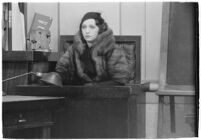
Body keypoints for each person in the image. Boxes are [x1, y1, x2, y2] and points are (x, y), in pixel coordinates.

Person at [55, 12, 130, 86]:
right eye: (84, 27)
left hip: (107, 94)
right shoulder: (74, 49)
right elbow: (61, 69)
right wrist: (54, 76)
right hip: (79, 94)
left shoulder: (113, 49)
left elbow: (120, 80)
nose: (87, 31)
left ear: (101, 28)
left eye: (92, 27)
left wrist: (93, 87)